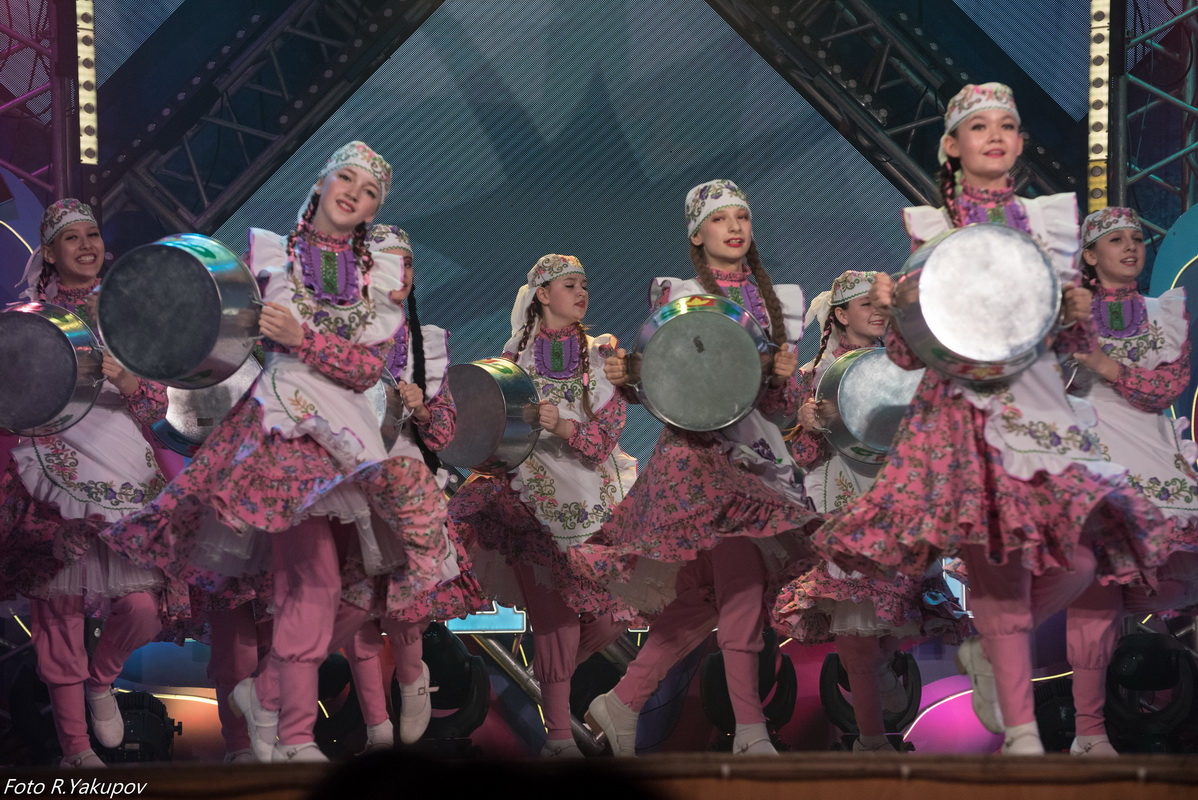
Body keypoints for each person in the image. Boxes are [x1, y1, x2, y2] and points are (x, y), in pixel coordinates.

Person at [814, 84, 1161, 755]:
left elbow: (1051, 343)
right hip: (962, 427)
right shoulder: (934, 236)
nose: (996, 135)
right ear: (952, 146)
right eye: (979, 126)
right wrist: (898, 310)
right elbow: (904, 356)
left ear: (1021, 143)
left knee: (1081, 560)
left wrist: (1074, 317)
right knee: (999, 576)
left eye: (1007, 125)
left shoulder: (1046, 232)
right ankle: (1023, 735)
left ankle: (989, 652)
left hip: (1036, 418)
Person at [100, 142, 450, 763]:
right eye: (346, 178)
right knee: (310, 582)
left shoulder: (375, 278)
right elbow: (207, 318)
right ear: (321, 183)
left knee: (358, 591)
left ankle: (265, 697)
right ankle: (293, 734)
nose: (355, 194)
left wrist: (303, 337)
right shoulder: (269, 256)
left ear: (374, 212)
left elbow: (366, 367)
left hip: (353, 443)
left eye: (369, 192)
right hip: (284, 435)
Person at [579, 180, 820, 756]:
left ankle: (623, 702)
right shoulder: (680, 296)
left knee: (708, 598)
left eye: (742, 217)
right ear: (696, 233)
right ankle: (750, 731)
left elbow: (779, 407)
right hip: (699, 468)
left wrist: (783, 377)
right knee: (740, 590)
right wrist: (628, 379)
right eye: (719, 219)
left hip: (757, 465)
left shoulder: (776, 303)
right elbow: (666, 390)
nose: (734, 227)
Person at [0, 199, 178, 768]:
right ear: (50, 253)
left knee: (145, 606)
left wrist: (127, 379)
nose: (86, 245)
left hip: (124, 459)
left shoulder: (128, 314)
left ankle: (103, 680)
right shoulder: (28, 319)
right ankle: (75, 749)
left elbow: (157, 406)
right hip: (53, 458)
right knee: (60, 608)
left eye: (92, 234)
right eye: (71, 238)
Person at [450, 254, 638, 757]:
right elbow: (490, 424)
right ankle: (558, 737)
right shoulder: (514, 358)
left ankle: (551, 676)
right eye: (570, 285)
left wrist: (561, 424)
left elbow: (602, 441)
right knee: (556, 618)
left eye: (584, 285)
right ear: (542, 293)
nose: (582, 293)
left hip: (596, 499)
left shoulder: (601, 354)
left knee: (618, 615)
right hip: (528, 499)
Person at [776, 269, 966, 753]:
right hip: (841, 506)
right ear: (840, 315)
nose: (879, 314)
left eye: (883, 306)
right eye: (867, 305)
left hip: (896, 507)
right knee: (858, 633)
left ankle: (879, 683)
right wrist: (807, 426)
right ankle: (871, 741)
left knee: (890, 622)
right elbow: (801, 458)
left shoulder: (904, 368)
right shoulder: (812, 378)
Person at [340, 224, 488, 751]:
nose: (401, 273)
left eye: (408, 263)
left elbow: (443, 434)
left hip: (407, 483)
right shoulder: (340, 336)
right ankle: (375, 723)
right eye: (389, 263)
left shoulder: (428, 345)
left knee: (405, 606)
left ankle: (412, 678)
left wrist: (422, 409)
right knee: (356, 608)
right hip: (351, 483)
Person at [1063, 207, 1198, 756]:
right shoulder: (1067, 313)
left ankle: (1172, 712)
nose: (1130, 247)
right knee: (1094, 596)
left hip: (1152, 452)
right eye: (1115, 239)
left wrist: (1107, 365)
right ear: (1090, 255)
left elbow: (1168, 386)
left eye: (1137, 238)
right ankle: (1089, 732)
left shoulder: (1164, 312)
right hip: (1090, 455)